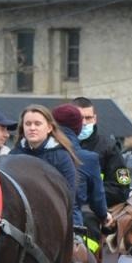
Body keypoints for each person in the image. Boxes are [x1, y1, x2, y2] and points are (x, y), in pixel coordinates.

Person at [12, 105, 80, 228]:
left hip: (55, 219)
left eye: (37, 124)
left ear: (49, 127)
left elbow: (69, 194)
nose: (32, 128)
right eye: (28, 124)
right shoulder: (13, 155)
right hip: (20, 219)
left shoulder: (61, 157)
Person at [53, 103, 110, 240]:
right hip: (74, 225)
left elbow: (120, 187)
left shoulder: (107, 145)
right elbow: (98, 197)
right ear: (78, 126)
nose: (85, 123)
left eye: (89, 118)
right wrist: (103, 215)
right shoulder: (88, 158)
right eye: (82, 119)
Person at [74, 96, 132, 207]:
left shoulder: (109, 147)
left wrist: (88, 193)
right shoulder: (57, 144)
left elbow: (122, 189)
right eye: (79, 118)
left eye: (88, 118)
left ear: (95, 119)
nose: (84, 123)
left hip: (93, 210)